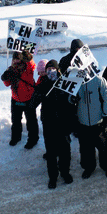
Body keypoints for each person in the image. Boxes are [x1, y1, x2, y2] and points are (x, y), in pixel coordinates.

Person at [33, 60, 75, 188]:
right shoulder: (43, 85)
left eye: (53, 69)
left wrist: (73, 100)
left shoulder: (66, 83)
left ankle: (65, 173)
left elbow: (72, 102)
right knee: (51, 152)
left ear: (58, 70)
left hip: (63, 122)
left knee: (65, 151)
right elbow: (32, 105)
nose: (51, 71)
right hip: (49, 123)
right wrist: (38, 94)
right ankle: (53, 177)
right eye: (48, 69)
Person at [73, 62, 107, 179]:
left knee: (103, 146)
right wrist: (72, 99)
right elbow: (69, 99)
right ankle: (88, 167)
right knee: (86, 148)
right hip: (83, 122)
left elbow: (106, 100)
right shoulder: (76, 82)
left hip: (98, 122)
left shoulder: (99, 81)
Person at [1, 49, 38, 149]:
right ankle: (16, 137)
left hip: (29, 99)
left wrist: (29, 58)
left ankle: (33, 139)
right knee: (15, 121)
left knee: (31, 122)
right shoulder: (11, 69)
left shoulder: (27, 68)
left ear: (21, 59)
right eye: (14, 59)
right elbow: (7, 84)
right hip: (15, 99)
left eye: (18, 59)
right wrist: (5, 78)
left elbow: (32, 65)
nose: (16, 61)